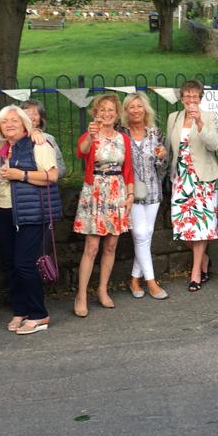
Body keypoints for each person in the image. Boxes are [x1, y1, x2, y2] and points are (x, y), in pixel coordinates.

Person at [0, 105, 60, 334]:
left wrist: (20, 175)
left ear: (24, 124)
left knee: (24, 263)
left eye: (14, 120)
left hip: (31, 212)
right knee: (11, 263)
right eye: (4, 121)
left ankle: (39, 314)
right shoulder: (4, 148)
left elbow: (52, 176)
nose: (9, 124)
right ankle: (20, 310)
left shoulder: (38, 144)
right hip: (5, 210)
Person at [74, 94, 134, 313]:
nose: (107, 114)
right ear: (95, 113)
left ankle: (102, 289)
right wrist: (91, 137)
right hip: (96, 191)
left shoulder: (123, 138)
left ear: (117, 114)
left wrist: (130, 194)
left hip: (117, 192)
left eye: (111, 110)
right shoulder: (91, 134)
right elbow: (81, 151)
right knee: (92, 247)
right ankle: (81, 295)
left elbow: (128, 169)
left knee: (111, 246)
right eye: (102, 110)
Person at [166, 80, 218, 291]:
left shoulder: (209, 116)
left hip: (203, 179)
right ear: (182, 99)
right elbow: (169, 147)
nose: (191, 100)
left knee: (201, 226)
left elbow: (214, 145)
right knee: (181, 225)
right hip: (181, 178)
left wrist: (200, 123)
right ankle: (204, 258)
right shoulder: (174, 117)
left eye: (195, 96)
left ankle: (196, 272)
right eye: (187, 96)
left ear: (200, 98)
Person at [121, 92, 169, 300]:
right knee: (140, 235)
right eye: (131, 107)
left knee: (146, 234)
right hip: (130, 191)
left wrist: (162, 157)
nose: (136, 110)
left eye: (139, 106)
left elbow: (162, 166)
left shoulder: (155, 132)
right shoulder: (121, 133)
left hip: (152, 189)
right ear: (126, 111)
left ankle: (134, 279)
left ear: (145, 109)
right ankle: (151, 282)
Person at [20, 99, 68, 180]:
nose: (30, 117)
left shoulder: (48, 139)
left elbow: (61, 169)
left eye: (35, 114)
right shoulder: (11, 138)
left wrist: (40, 175)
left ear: (40, 120)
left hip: (42, 184)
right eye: (26, 114)